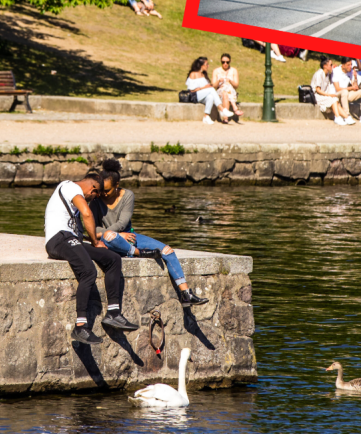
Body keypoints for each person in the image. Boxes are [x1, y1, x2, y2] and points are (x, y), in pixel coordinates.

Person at [92, 160, 207, 307]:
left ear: (117, 185)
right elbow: (93, 230)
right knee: (110, 236)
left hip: (129, 237)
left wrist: (122, 234)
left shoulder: (128, 195)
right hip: (109, 241)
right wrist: (117, 235)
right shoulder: (95, 200)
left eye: (107, 190)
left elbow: (122, 223)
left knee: (167, 250)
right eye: (102, 190)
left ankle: (186, 294)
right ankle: (137, 252)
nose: (103, 193)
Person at [43, 170, 138, 345]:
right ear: (93, 188)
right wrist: (95, 240)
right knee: (88, 271)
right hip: (58, 240)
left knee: (112, 259)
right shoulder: (69, 186)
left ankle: (113, 313)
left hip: (71, 239)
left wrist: (92, 240)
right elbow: (87, 213)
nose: (91, 199)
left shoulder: (74, 194)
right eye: (94, 196)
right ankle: (80, 326)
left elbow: (80, 228)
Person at [187, 56, 234, 125]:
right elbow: (191, 90)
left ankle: (206, 116)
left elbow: (207, 87)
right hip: (193, 96)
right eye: (206, 64)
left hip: (201, 96)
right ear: (201, 65)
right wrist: (204, 87)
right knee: (210, 89)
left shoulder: (204, 74)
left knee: (210, 97)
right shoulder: (193, 74)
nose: (208, 66)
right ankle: (222, 109)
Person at [311, 56, 351, 125]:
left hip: (323, 95)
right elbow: (318, 90)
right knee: (333, 99)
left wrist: (332, 70)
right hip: (316, 96)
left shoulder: (327, 74)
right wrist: (329, 95)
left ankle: (346, 117)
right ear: (325, 66)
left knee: (335, 99)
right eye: (331, 65)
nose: (332, 66)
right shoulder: (319, 74)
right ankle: (338, 117)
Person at [334, 59, 361, 124]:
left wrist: (355, 78)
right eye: (348, 65)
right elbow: (337, 88)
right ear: (343, 65)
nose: (350, 66)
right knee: (344, 92)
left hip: (346, 94)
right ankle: (346, 115)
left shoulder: (350, 71)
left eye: (351, 64)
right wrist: (351, 88)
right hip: (337, 94)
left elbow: (355, 87)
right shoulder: (336, 71)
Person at [212, 53, 243, 121]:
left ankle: (225, 118)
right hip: (220, 91)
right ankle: (235, 107)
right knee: (224, 91)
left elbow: (236, 85)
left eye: (227, 62)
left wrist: (230, 81)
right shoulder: (216, 71)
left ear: (230, 62)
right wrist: (219, 81)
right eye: (223, 62)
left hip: (231, 92)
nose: (225, 64)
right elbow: (214, 86)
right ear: (221, 61)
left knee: (226, 91)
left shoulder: (234, 71)